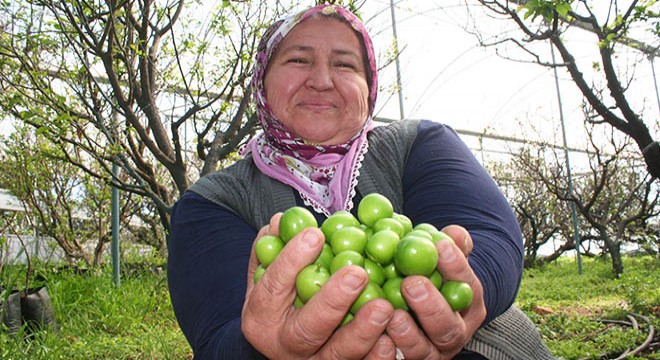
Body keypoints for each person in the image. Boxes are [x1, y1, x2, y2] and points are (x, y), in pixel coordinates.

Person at [167, 4, 556, 359]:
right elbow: (219, 335)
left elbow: (490, 238)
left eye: (345, 65)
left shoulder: (419, 143)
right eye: (299, 59)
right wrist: (264, 347)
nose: (321, 80)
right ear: (262, 81)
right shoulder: (212, 201)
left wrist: (456, 297)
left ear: (369, 90)